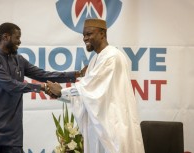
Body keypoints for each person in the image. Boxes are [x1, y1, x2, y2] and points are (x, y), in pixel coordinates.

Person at [0, 22, 86, 153]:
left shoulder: (19, 60)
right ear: (5, 37)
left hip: (12, 134)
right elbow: (10, 85)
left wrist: (77, 74)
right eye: (17, 37)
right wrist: (42, 88)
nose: (19, 42)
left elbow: (43, 75)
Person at [47, 18, 145, 153]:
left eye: (89, 34)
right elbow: (86, 96)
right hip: (99, 129)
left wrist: (62, 92)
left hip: (113, 127)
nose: (85, 38)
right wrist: (60, 95)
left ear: (102, 34)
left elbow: (87, 88)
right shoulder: (95, 59)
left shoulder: (112, 56)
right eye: (84, 35)